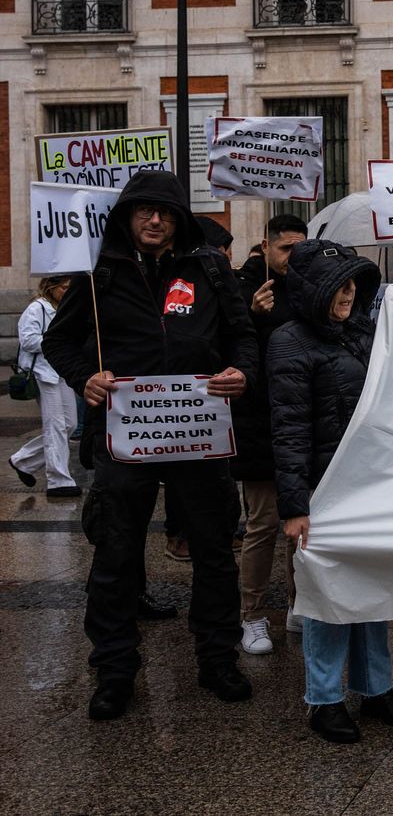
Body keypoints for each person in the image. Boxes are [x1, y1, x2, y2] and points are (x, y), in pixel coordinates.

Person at [42, 170, 256, 721]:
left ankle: (216, 659)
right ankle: (114, 669)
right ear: (127, 217)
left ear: (179, 218)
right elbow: (59, 341)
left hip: (199, 436)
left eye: (164, 212)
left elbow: (243, 337)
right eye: (143, 211)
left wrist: (242, 372)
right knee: (115, 554)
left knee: (213, 551)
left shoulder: (209, 269)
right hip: (123, 439)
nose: (154, 220)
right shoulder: (99, 275)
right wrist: (85, 377)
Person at [269, 239, 393, 743]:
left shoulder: (360, 334)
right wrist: (295, 506)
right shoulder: (289, 342)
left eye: (354, 283)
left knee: (369, 589)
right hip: (323, 491)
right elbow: (288, 428)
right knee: (327, 594)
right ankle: (325, 698)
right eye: (339, 285)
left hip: (365, 484)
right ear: (314, 289)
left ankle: (376, 687)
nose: (349, 293)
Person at [232, 214, 308, 655]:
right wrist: (252, 316)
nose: (293, 258)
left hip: (300, 423)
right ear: (266, 246)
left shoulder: (309, 287)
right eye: (285, 250)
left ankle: (298, 604)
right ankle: (253, 615)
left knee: (302, 525)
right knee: (262, 523)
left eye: (301, 249)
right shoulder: (245, 289)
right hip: (260, 425)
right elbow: (232, 349)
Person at [9, 276, 80, 497]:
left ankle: (23, 461)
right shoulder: (36, 309)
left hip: (62, 372)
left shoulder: (64, 309)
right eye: (64, 288)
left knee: (70, 424)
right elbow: (28, 340)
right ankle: (58, 480)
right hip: (43, 372)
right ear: (51, 287)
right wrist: (56, 341)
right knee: (56, 425)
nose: (68, 292)